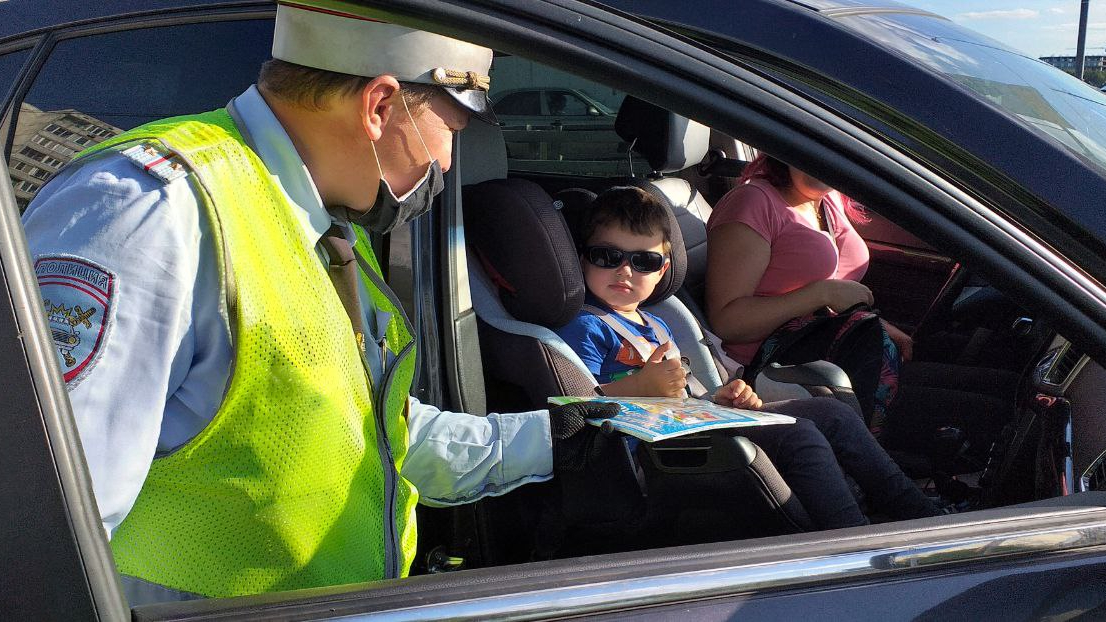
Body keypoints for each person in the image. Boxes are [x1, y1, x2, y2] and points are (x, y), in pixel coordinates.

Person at [22, 4, 608, 603]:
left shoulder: (327, 222)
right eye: (452, 131)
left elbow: (367, 435)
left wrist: (566, 436)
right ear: (380, 107)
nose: (449, 162)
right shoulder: (150, 212)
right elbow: (41, 530)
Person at [554, 186, 939, 530]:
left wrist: (719, 399)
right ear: (582, 259)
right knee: (798, 434)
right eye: (607, 256)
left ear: (663, 271)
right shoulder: (585, 326)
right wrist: (639, 388)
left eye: (644, 262)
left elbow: (678, 398)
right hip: (652, 456)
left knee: (833, 413)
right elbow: (579, 411)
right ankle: (851, 538)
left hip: (685, 425)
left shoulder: (656, 322)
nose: (624, 270)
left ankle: (918, 514)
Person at [705, 153, 911, 436]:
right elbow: (728, 322)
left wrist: (876, 326)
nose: (829, 158)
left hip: (831, 354)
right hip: (775, 373)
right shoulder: (752, 202)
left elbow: (831, 297)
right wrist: (821, 293)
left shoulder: (828, 199)